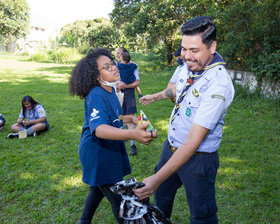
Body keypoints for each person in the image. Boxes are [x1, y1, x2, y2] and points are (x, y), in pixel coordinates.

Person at [134, 16, 235, 224]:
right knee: (161, 199)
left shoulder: (219, 84)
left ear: (212, 46)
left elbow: (192, 143)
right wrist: (156, 96)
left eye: (194, 50)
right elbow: (176, 88)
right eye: (184, 49)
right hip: (170, 148)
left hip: (198, 159)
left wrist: (156, 178)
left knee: (202, 215)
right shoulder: (187, 66)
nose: (186, 56)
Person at [68, 48, 157, 224]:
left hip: (109, 150)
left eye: (112, 63)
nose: (114, 67)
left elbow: (112, 118)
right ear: (96, 75)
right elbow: (99, 128)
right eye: (107, 67)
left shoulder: (111, 91)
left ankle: (84, 221)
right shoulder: (95, 95)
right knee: (120, 202)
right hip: (98, 154)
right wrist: (132, 134)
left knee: (98, 189)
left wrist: (128, 118)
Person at [118, 51, 138, 155]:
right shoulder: (133, 66)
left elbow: (137, 82)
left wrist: (124, 86)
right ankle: (127, 141)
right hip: (123, 93)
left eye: (119, 54)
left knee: (126, 118)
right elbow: (135, 65)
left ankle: (131, 144)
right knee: (122, 117)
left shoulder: (118, 66)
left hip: (126, 93)